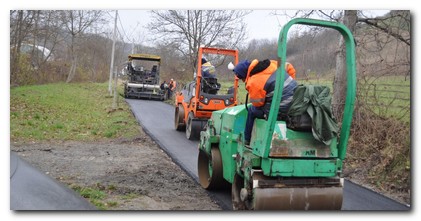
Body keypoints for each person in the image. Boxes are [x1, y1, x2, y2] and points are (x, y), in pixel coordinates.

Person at [232, 59, 297, 145]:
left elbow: (257, 103)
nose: (243, 81)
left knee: (252, 110)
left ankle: (247, 139)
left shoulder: (254, 81)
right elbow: (289, 66)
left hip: (282, 108)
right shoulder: (271, 64)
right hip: (296, 101)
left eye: (242, 78)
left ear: (245, 74)